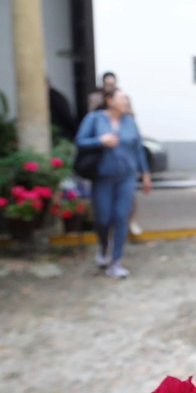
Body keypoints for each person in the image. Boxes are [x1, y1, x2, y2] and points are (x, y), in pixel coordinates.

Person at [75, 88, 152, 279]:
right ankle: (104, 246)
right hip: (103, 177)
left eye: (126, 99)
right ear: (110, 101)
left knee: (121, 217)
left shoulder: (130, 121)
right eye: (122, 99)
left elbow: (138, 148)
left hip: (126, 177)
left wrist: (145, 173)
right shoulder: (94, 119)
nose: (126, 102)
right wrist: (100, 141)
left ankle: (116, 261)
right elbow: (80, 141)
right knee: (102, 218)